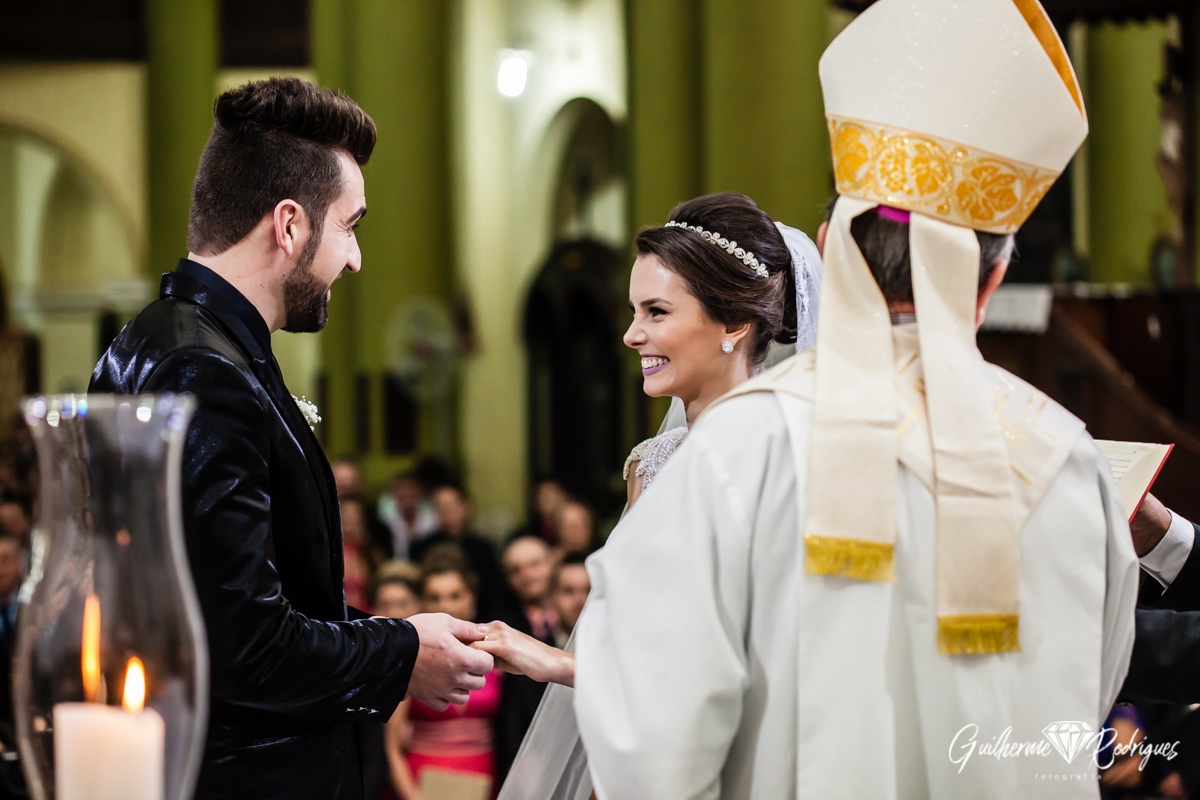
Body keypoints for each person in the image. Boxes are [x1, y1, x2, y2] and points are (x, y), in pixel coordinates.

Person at [496, 2, 1139, 796]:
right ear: (993, 279)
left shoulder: (737, 451)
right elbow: (1096, 689)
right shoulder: (1069, 459)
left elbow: (648, 735)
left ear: (833, 250)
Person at [89, 77, 492, 799]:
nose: (356, 259)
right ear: (289, 226)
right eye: (351, 225)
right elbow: (245, 642)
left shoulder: (152, 339)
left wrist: (406, 634)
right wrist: (401, 651)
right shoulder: (204, 370)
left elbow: (234, 597)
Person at [482, 190, 822, 800]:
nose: (631, 335)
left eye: (656, 312)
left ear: (735, 324)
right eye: (634, 311)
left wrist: (550, 662)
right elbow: (635, 652)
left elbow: (720, 671)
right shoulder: (652, 463)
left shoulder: (780, 460)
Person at [387, 555, 503, 800]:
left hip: (485, 780)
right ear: (422, 603)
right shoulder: (412, 657)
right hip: (423, 780)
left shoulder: (496, 654)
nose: (447, 606)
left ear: (472, 597)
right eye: (435, 597)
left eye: (455, 595)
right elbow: (392, 746)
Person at [411, 483, 511, 623]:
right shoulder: (420, 547)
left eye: (451, 505)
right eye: (440, 506)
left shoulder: (484, 547)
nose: (447, 511)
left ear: (465, 507)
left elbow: (494, 593)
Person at [502, 536, 558, 644]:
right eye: (516, 570)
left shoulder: (580, 610)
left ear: (552, 564)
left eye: (534, 564)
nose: (527, 575)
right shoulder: (505, 628)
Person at [381, 471, 439, 560]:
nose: (407, 493)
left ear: (420, 494)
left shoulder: (434, 521)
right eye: (402, 490)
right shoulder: (385, 522)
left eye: (411, 489)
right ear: (393, 495)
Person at [551, 553, 590, 648]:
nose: (579, 600)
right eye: (569, 591)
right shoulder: (539, 646)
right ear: (553, 597)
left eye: (588, 590)